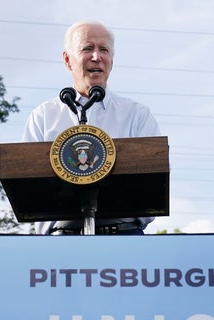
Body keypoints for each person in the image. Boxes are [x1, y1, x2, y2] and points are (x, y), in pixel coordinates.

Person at [21, 20, 161, 235]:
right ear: (68, 60)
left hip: (125, 239)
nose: (97, 57)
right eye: (87, 49)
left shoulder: (137, 115)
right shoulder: (43, 116)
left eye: (103, 50)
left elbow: (154, 186)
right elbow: (26, 186)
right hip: (61, 244)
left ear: (111, 60)